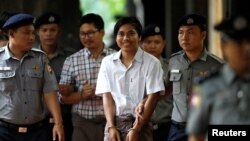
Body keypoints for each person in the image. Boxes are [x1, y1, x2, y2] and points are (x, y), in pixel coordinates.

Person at [95, 16, 165, 141]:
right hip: (115, 123)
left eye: (131, 33)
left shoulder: (152, 62)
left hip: (141, 123)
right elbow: (107, 96)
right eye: (121, 34)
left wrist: (136, 129)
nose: (126, 38)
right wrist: (111, 126)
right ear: (116, 37)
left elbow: (153, 97)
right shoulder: (107, 62)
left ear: (139, 37)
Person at [0, 13, 64, 141]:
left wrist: (58, 123)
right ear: (11, 34)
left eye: (33, 33)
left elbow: (50, 92)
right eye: (26, 33)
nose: (31, 37)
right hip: (5, 132)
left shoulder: (40, 58)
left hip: (37, 132)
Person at [186, 14, 250, 141]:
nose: (247, 48)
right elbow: (196, 136)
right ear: (224, 46)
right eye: (239, 43)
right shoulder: (206, 87)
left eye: (249, 42)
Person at [166, 14, 224, 141]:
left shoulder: (217, 65)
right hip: (177, 129)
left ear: (203, 35)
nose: (184, 37)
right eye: (181, 33)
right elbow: (166, 89)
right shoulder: (173, 61)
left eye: (190, 32)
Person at [59, 13, 116, 141]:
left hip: (111, 121)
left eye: (90, 33)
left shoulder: (116, 58)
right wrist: (82, 95)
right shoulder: (72, 60)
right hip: (82, 122)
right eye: (82, 34)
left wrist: (104, 92)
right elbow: (62, 98)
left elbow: (126, 91)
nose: (86, 37)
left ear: (102, 32)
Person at [35, 11, 74, 141]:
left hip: (66, 118)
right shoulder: (30, 57)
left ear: (59, 31)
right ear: (37, 32)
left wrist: (71, 89)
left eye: (52, 30)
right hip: (37, 120)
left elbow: (79, 84)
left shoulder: (70, 56)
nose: (48, 34)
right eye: (44, 30)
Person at [140, 24, 173, 141]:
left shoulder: (172, 68)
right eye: (148, 42)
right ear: (141, 44)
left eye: (157, 42)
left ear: (163, 44)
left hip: (166, 128)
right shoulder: (134, 68)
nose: (152, 46)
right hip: (141, 128)